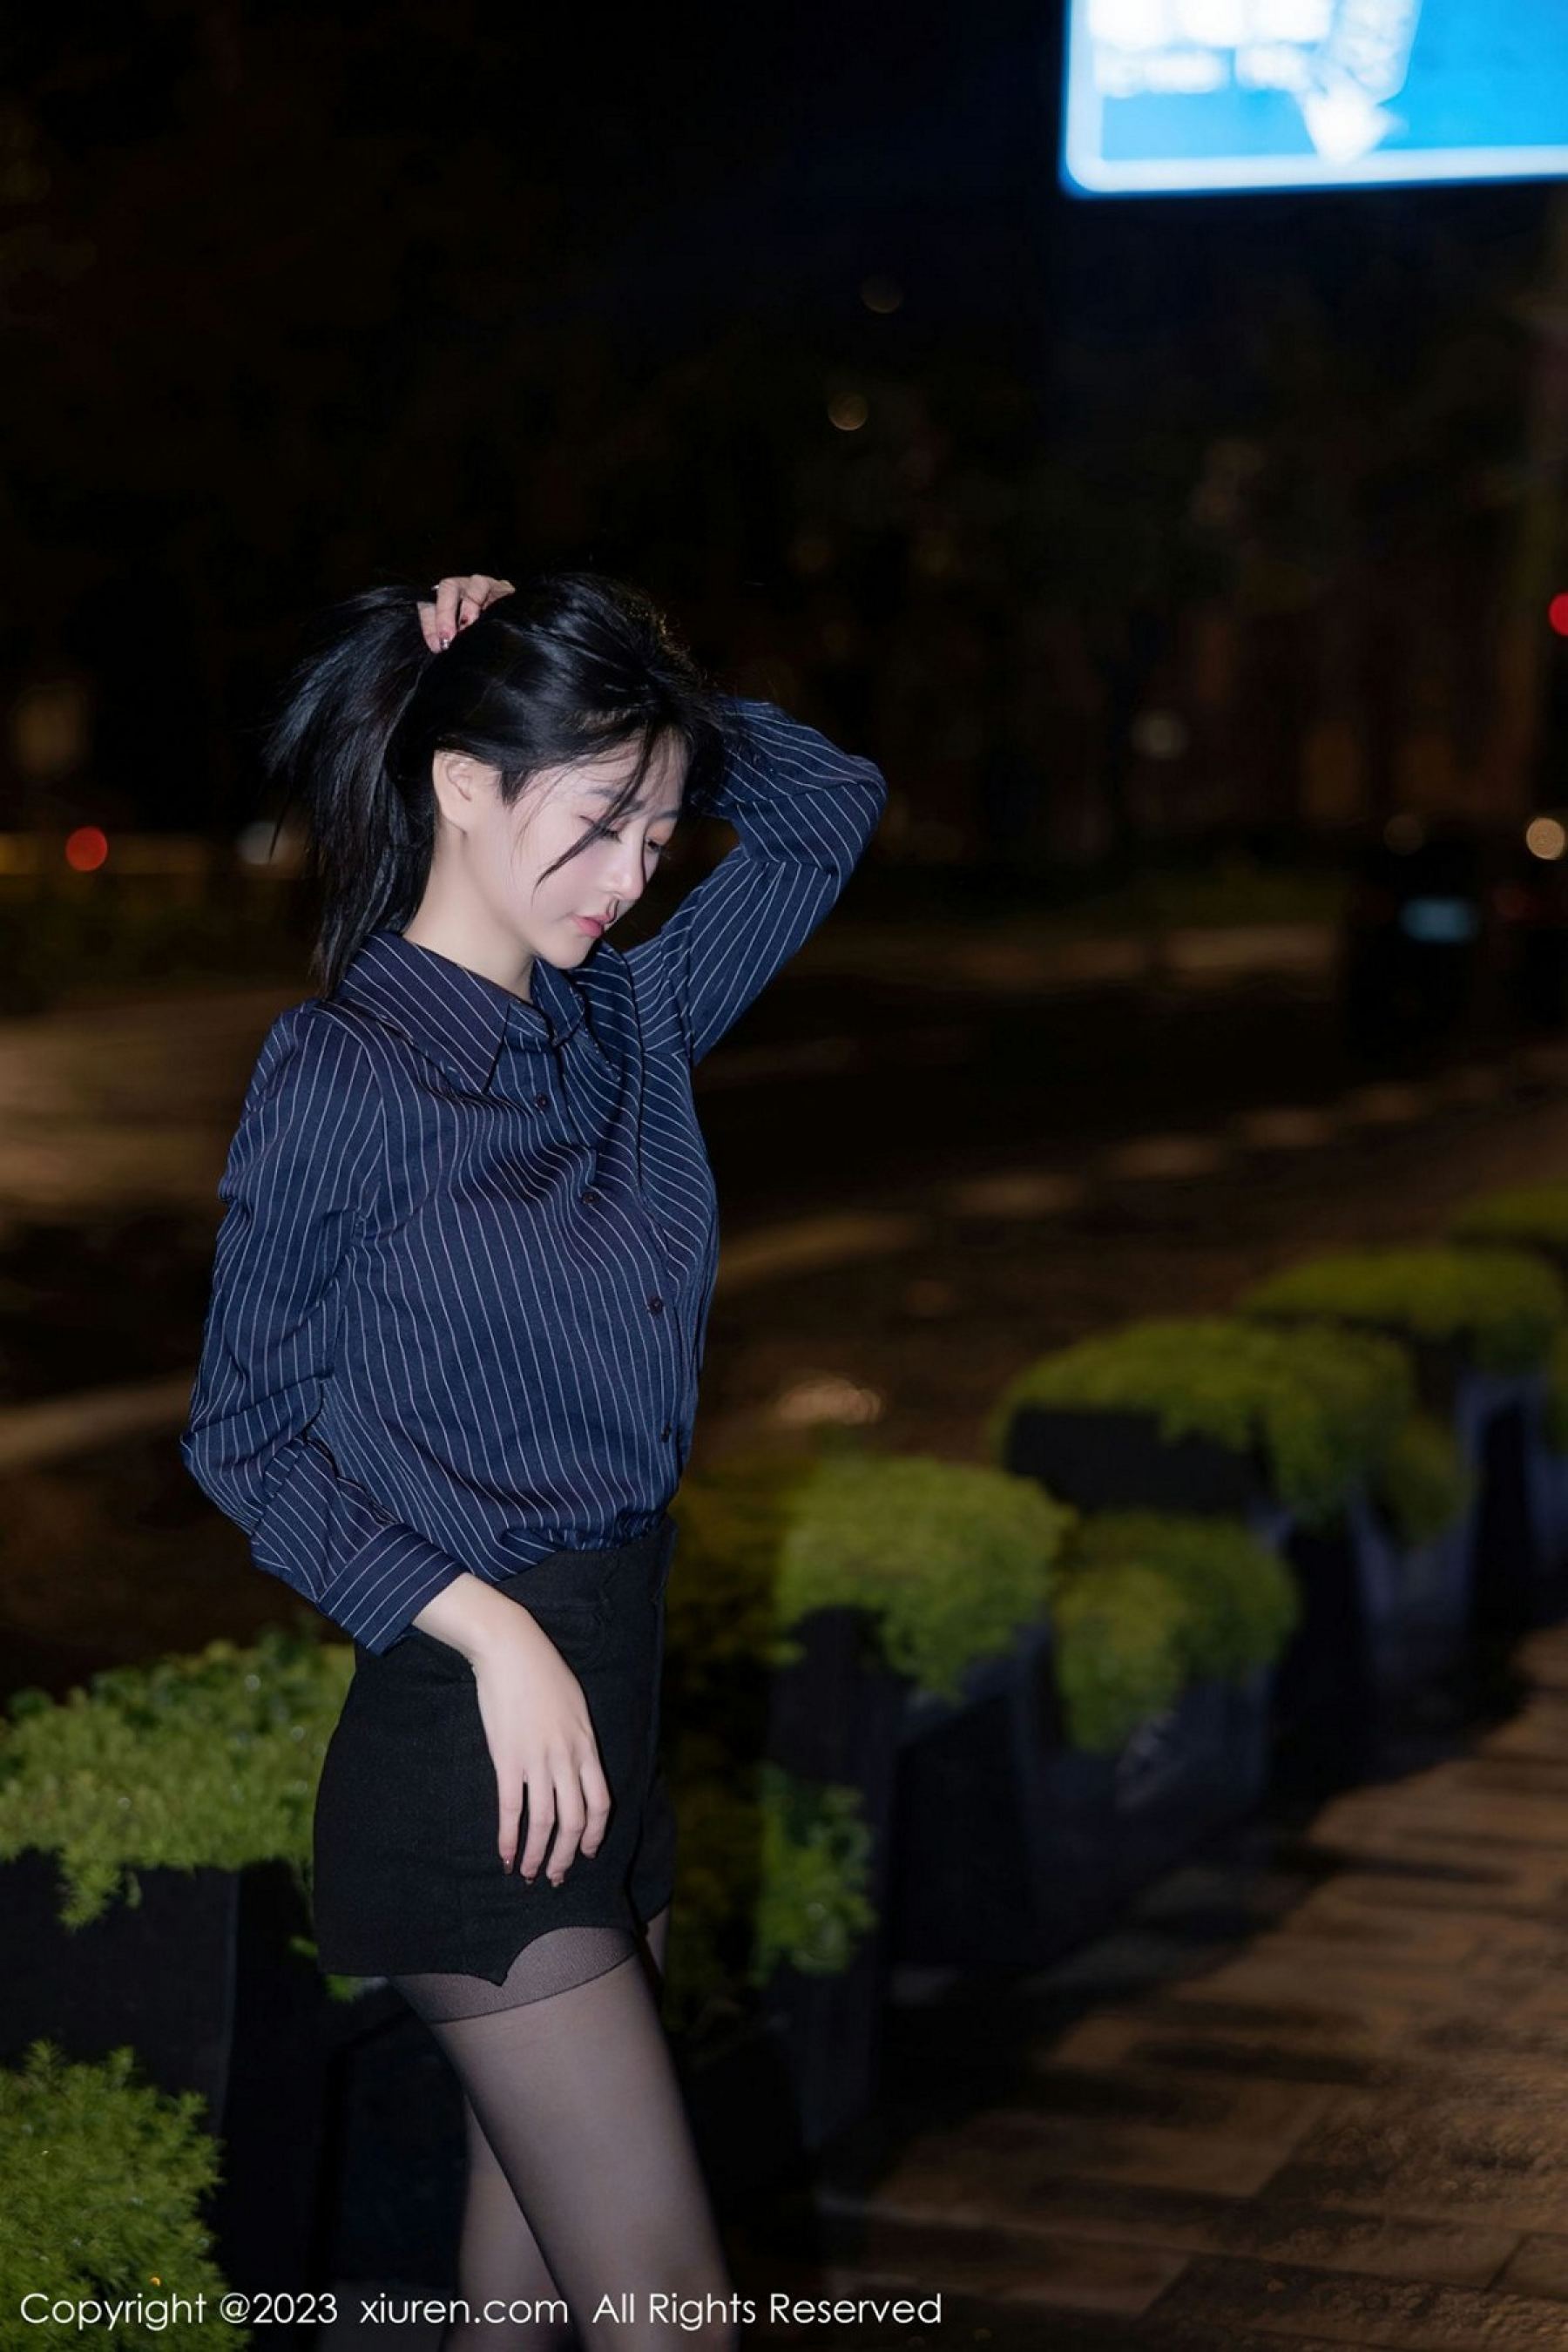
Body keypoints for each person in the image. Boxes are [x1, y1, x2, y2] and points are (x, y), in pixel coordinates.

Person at [179, 567, 888, 2349]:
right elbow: (243, 1430)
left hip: (610, 1737)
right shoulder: (342, 1071)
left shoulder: (629, 1024)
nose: (633, 874)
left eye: (656, 830)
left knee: (526, 2316)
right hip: (469, 1750)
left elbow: (829, 809)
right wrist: (484, 1626)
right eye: (596, 820)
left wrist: (637, 696)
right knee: (671, 2314)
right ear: (462, 783)